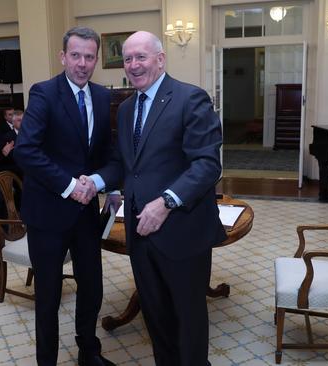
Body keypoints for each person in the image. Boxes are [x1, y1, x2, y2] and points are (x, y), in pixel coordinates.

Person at [85, 31, 226, 365]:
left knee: (188, 316)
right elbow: (125, 164)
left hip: (181, 230)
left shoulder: (191, 99)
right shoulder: (127, 107)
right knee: (156, 315)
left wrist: (166, 202)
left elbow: (207, 165)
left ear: (160, 59)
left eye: (141, 57)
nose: (133, 65)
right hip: (140, 230)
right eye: (128, 58)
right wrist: (94, 181)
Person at [13, 26, 113, 366]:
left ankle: (88, 352)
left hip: (86, 214)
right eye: (76, 55)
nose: (82, 63)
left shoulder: (102, 96)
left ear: (96, 59)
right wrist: (72, 186)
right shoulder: (44, 93)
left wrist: (101, 184)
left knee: (92, 288)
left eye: (89, 56)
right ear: (63, 56)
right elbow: (26, 151)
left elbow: (107, 153)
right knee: (49, 298)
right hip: (48, 214)